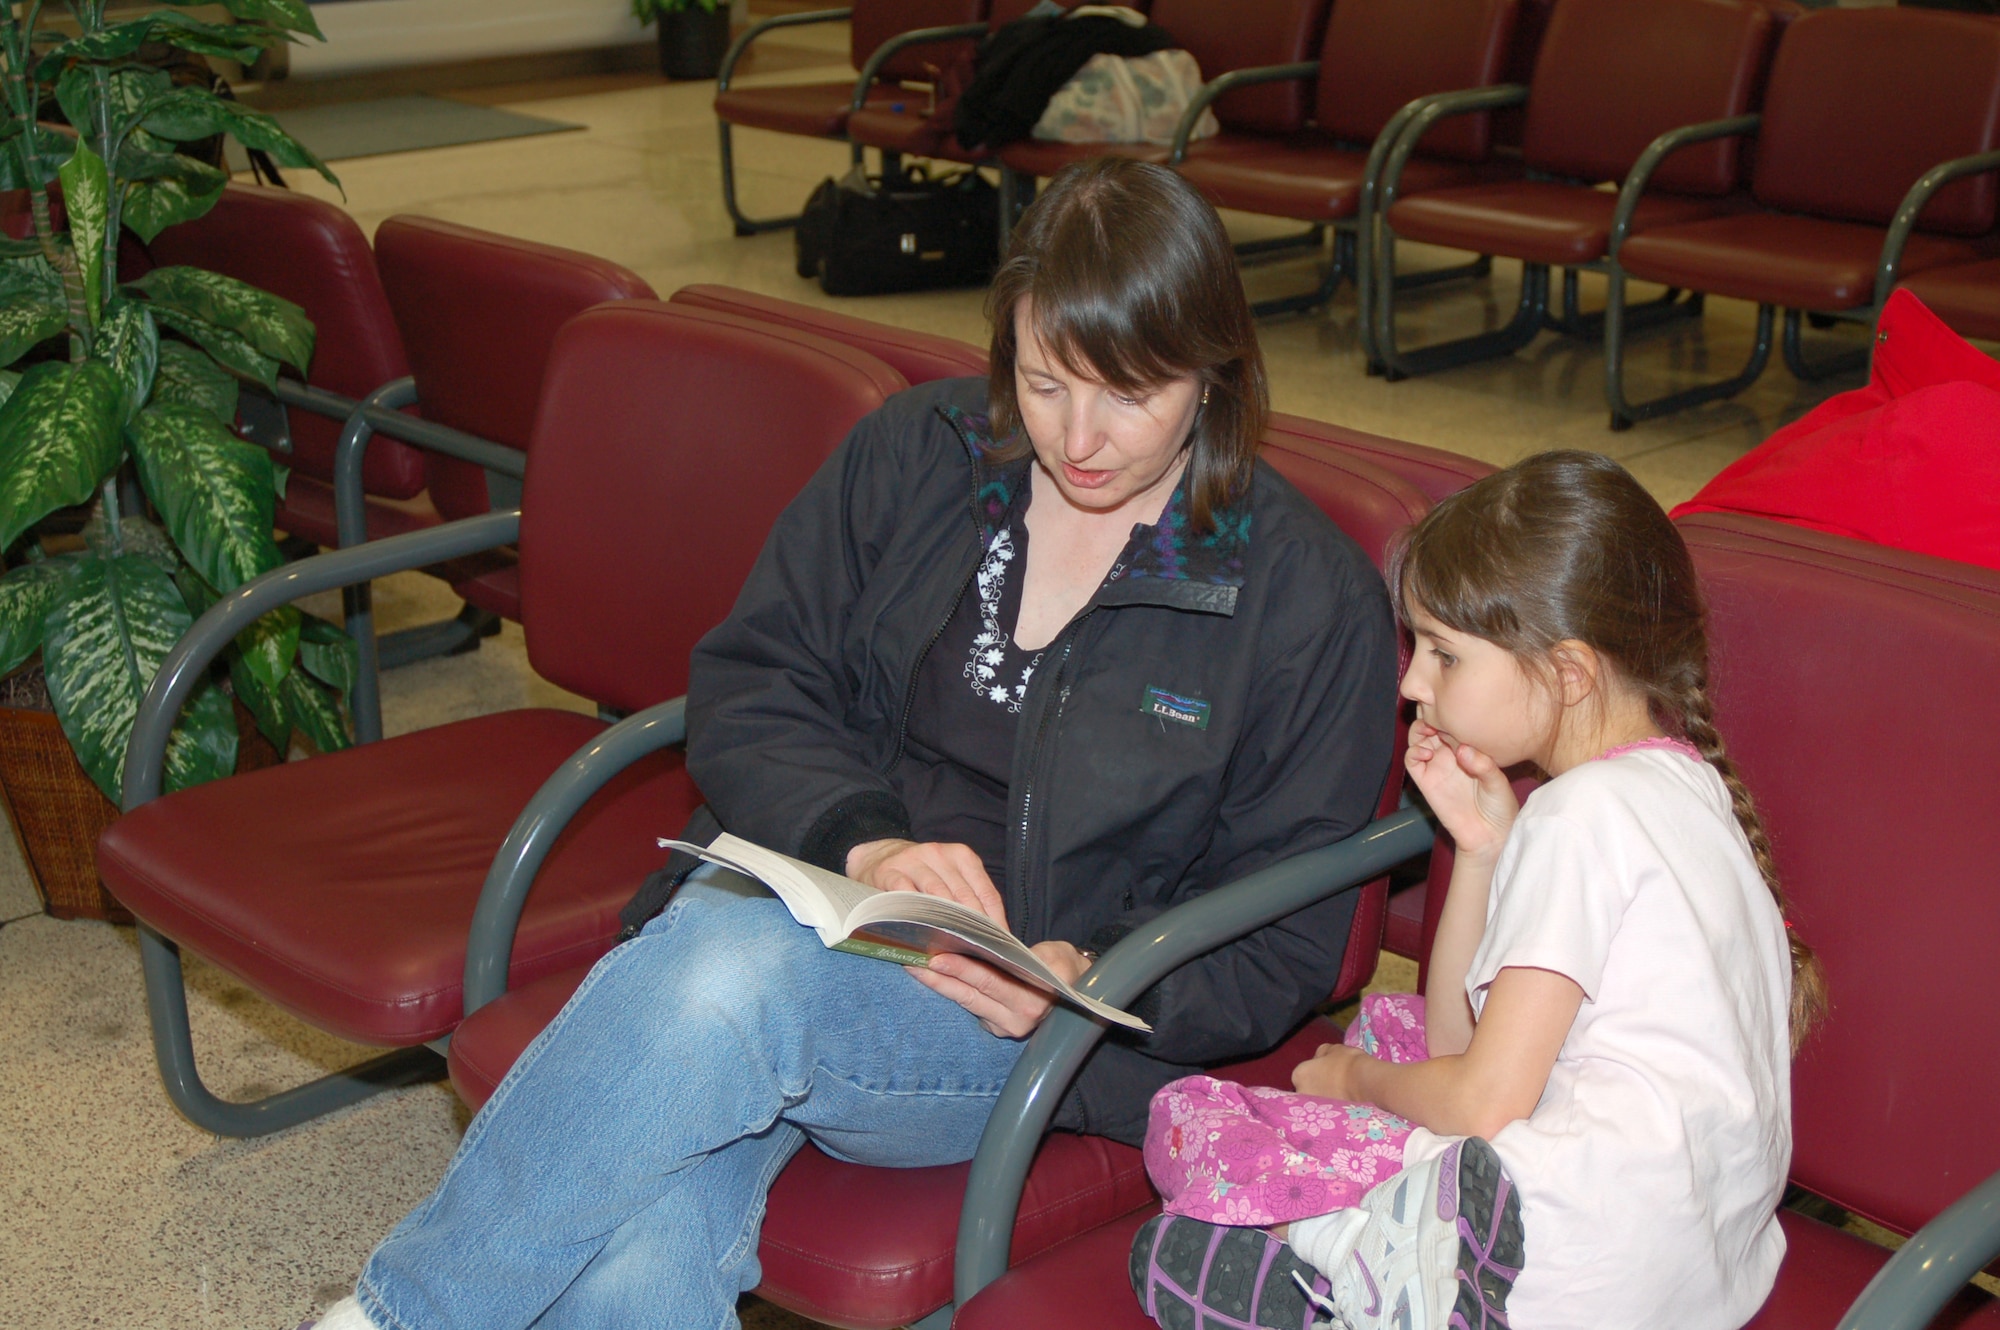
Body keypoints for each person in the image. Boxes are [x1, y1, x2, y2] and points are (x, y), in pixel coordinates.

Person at [307, 157, 1399, 1330]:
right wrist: (866, 845)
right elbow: (755, 678)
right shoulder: (927, 458)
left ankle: (399, 1316)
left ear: (1213, 372)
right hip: (815, 901)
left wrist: (1086, 976)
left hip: (1020, 1020)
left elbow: (1285, 938)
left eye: (1128, 395)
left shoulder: (1291, 596)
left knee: (725, 976)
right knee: (640, 1241)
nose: (1077, 438)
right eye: (1041, 384)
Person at [1130, 451, 1827, 1330]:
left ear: (1568, 673)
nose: (1412, 681)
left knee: (1190, 1168)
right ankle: (1398, 1264)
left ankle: (1376, 1279)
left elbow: (1480, 1102)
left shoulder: (1580, 818)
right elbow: (1458, 1040)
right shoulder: (1682, 786)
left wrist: (1355, 1082)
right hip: (1696, 1267)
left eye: (1444, 654)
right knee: (1400, 1032)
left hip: (1570, 1254)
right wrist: (1484, 849)